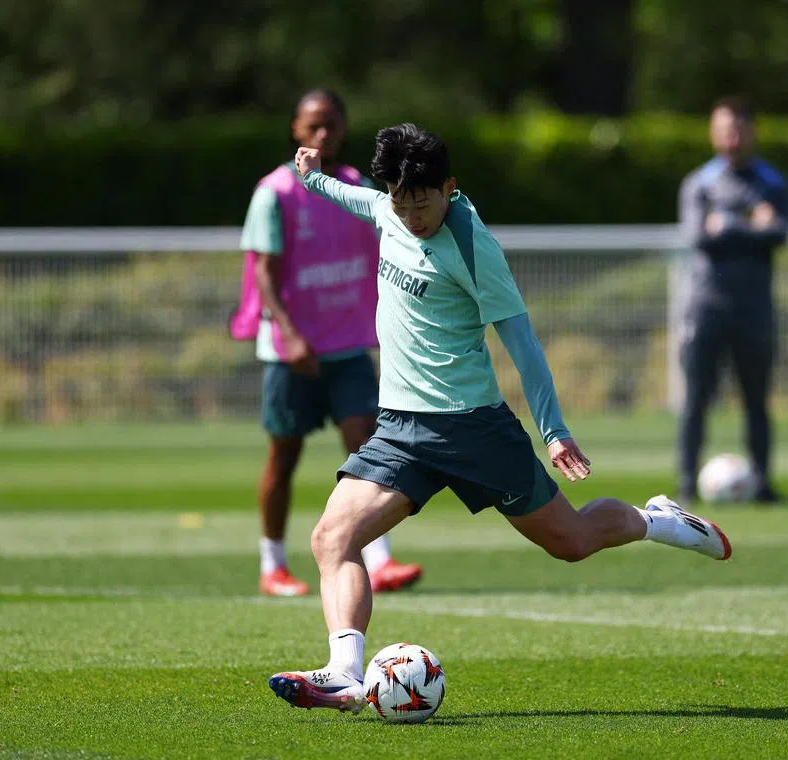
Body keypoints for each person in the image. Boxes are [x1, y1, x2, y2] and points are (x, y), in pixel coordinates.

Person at [267, 123, 733, 713]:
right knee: (333, 537)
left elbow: (523, 342)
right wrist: (313, 177)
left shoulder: (471, 244)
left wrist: (554, 429)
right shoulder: (390, 207)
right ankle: (343, 673)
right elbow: (362, 202)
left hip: (473, 428)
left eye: (422, 201)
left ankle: (657, 521)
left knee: (571, 542)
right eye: (400, 200)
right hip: (401, 430)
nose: (410, 214)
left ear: (449, 188)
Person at [231, 89, 423, 598]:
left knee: (370, 450)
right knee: (284, 456)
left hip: (348, 348)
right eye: (313, 125)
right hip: (292, 354)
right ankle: (273, 563)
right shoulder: (275, 192)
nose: (323, 134)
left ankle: (379, 559)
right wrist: (291, 336)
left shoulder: (357, 186)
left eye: (331, 125)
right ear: (296, 130)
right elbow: (264, 274)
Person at [677, 96, 788, 506]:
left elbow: (780, 234)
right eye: (724, 127)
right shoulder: (699, 183)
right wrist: (749, 222)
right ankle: (687, 486)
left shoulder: (773, 183)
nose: (732, 136)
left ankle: (763, 484)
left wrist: (726, 224)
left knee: (757, 400)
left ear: (752, 131)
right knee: (695, 399)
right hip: (705, 307)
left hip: (754, 310)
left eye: (739, 127)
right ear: (713, 132)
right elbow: (699, 237)